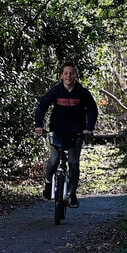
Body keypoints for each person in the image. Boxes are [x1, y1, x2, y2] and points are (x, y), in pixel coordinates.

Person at [34, 61, 98, 208]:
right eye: (66, 73)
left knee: (73, 162)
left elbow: (92, 110)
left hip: (76, 133)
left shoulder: (82, 92)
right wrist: (39, 125)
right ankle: (48, 183)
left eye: (72, 73)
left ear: (76, 75)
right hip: (57, 131)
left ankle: (72, 193)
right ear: (61, 76)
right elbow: (42, 107)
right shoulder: (56, 91)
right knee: (54, 160)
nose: (69, 76)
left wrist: (89, 128)